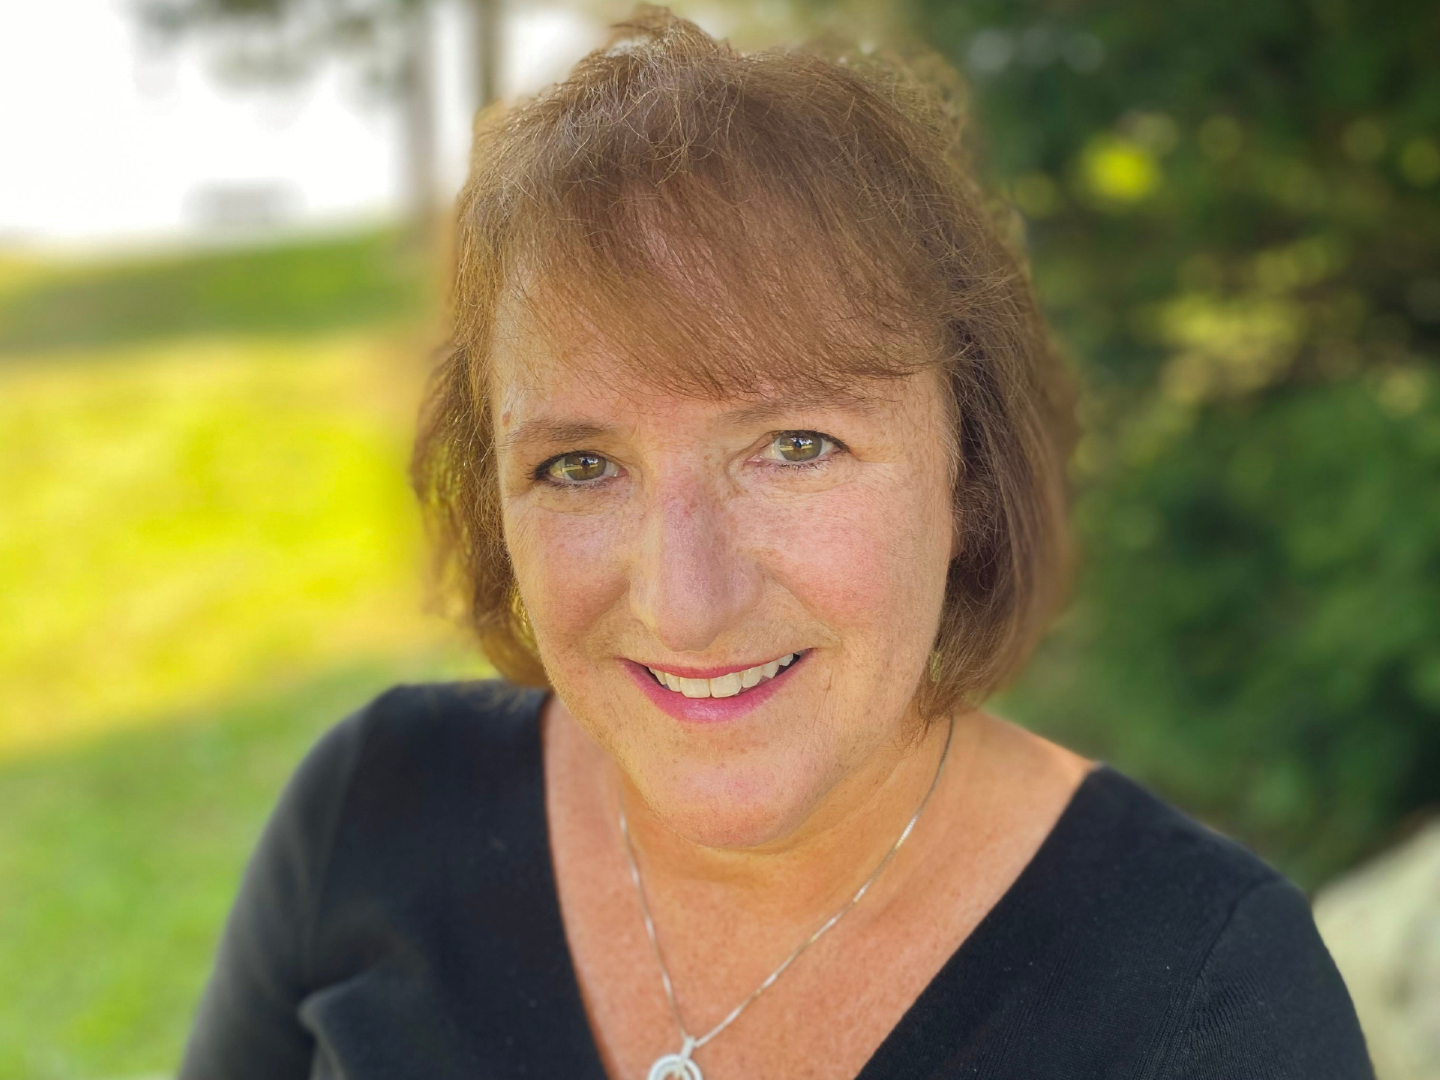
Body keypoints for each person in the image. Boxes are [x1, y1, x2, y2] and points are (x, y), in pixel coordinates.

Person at [177, 9, 1374, 1079]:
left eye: (794, 445)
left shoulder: (1211, 1001)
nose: (686, 603)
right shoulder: (376, 808)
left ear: (970, 470)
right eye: (579, 466)